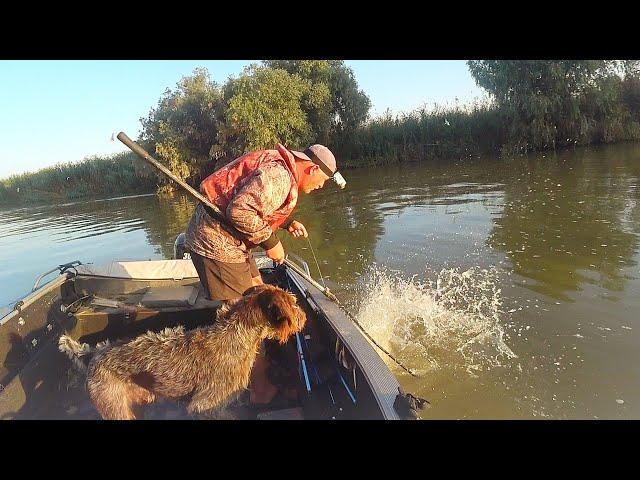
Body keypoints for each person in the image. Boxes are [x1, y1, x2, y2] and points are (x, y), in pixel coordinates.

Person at [184, 142, 345, 405]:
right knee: (246, 323)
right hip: (216, 246)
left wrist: (288, 222)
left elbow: (256, 205)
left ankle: (270, 367)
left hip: (234, 244)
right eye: (323, 180)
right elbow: (239, 211)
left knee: (264, 294)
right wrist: (272, 243)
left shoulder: (282, 169)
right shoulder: (280, 176)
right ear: (313, 168)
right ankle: (259, 392)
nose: (321, 186)